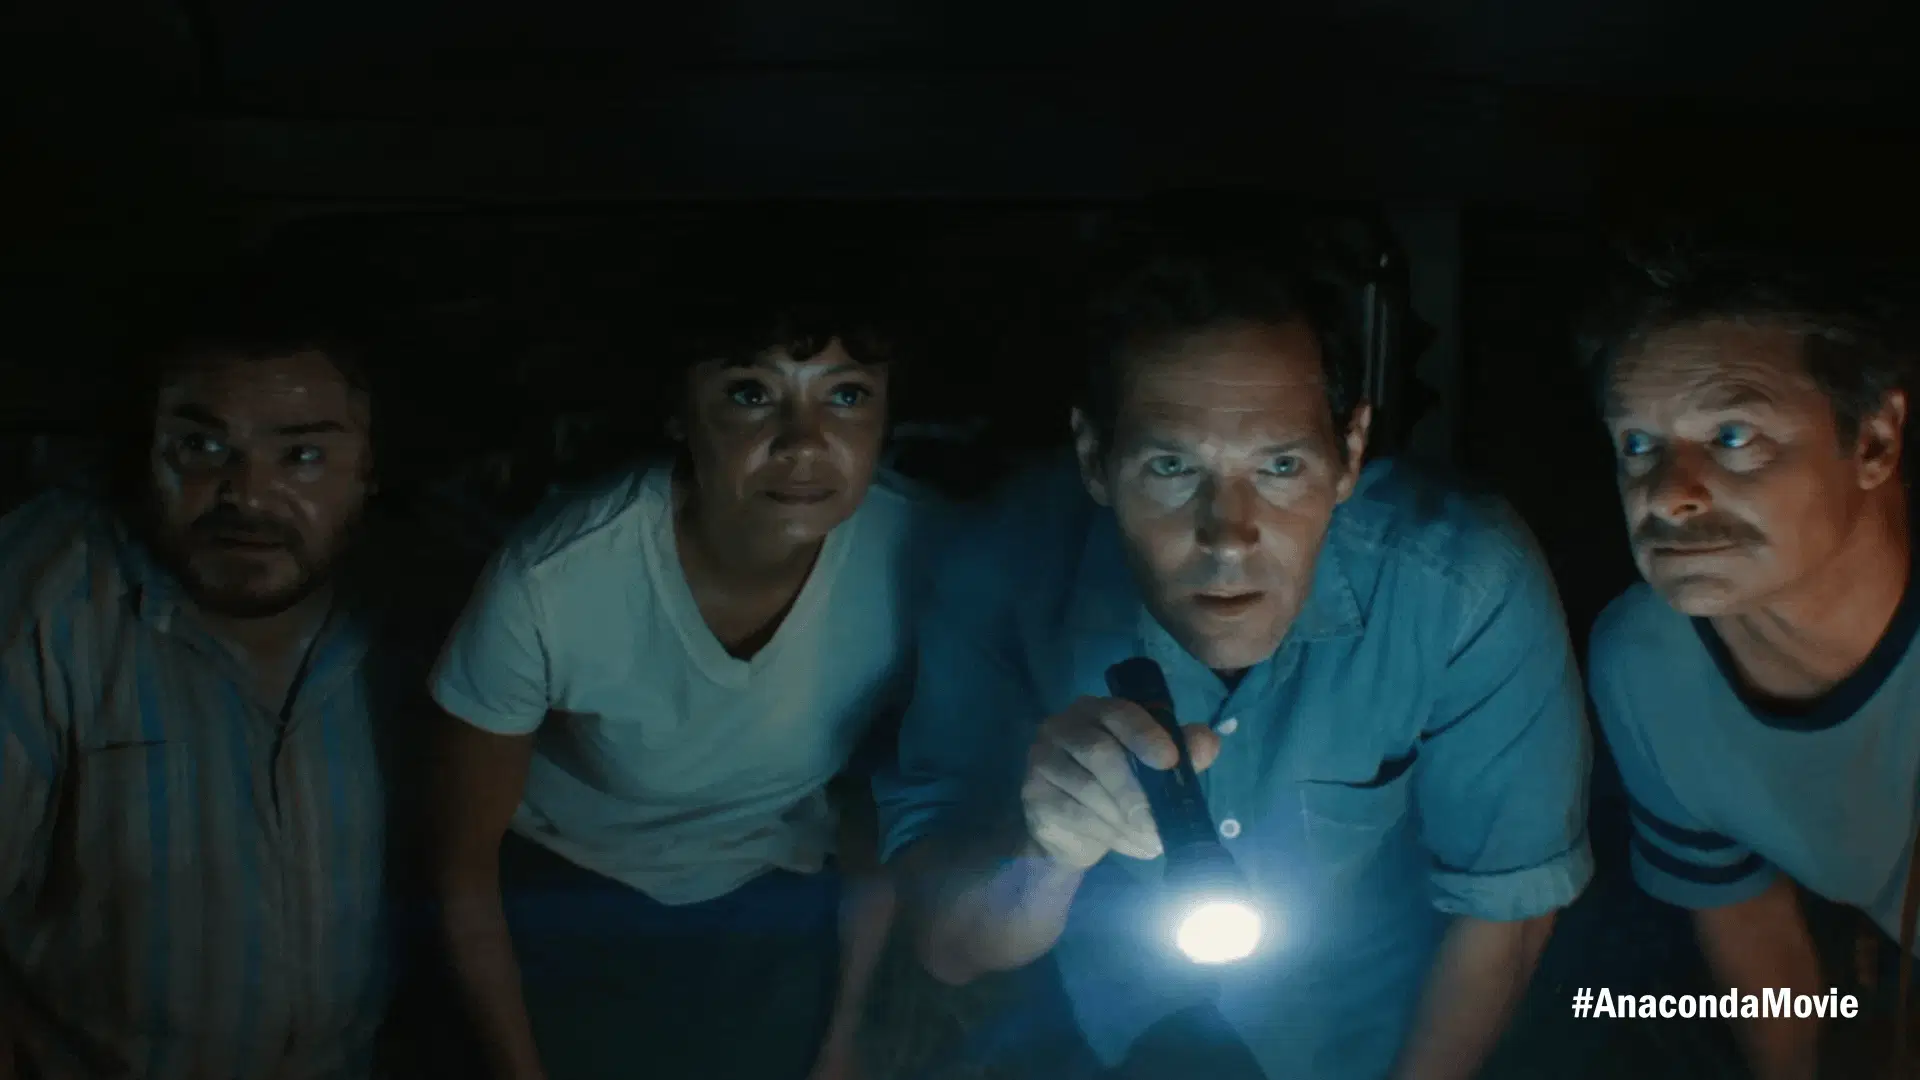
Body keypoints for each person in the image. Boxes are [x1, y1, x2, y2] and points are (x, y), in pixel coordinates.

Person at [877, 234, 1595, 1080]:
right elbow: (949, 949)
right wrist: (1047, 853)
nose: (1228, 536)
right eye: (1172, 467)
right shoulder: (1001, 568)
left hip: (1371, 1037)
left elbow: (1504, 913)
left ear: (1350, 453)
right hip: (1108, 1038)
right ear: (1094, 458)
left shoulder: (1462, 584)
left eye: (1280, 466)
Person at [429, 255, 947, 1080]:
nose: (805, 442)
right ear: (679, 413)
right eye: (751, 394)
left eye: (847, 396)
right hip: (567, 886)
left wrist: (842, 1037)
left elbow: (879, 806)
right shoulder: (554, 581)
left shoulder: (922, 553)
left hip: (774, 885)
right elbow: (462, 863)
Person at [0, 276, 435, 1078]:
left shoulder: (424, 606)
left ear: (371, 468)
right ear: (145, 449)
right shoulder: (43, 602)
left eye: (303, 455)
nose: (247, 494)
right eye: (201, 448)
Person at [1582, 244, 1917, 1079]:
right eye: (1637, 444)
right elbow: (1744, 917)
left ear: (1874, 440)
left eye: (1733, 437)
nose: (1667, 493)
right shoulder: (1647, 663)